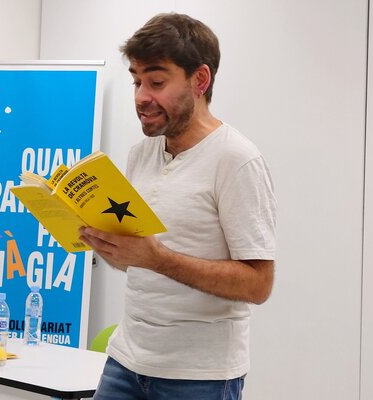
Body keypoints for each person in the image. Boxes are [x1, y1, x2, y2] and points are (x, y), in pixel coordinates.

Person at [80, 12, 277, 400]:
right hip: (125, 362)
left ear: (200, 80)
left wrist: (158, 258)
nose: (141, 97)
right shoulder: (141, 154)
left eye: (156, 82)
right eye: (136, 81)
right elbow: (139, 260)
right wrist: (107, 244)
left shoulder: (236, 160)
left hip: (199, 377)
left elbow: (258, 284)